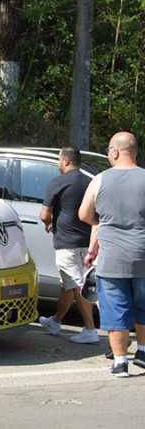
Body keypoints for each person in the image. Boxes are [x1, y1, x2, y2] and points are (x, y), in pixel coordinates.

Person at [79, 132, 145, 378]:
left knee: (116, 309)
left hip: (112, 258)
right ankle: (143, 351)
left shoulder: (100, 180)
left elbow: (84, 214)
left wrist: (104, 222)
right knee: (143, 305)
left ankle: (120, 363)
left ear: (115, 152)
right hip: (143, 255)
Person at [37, 146, 97, 343]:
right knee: (68, 284)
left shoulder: (58, 182)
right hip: (88, 242)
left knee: (77, 285)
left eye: (59, 160)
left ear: (65, 161)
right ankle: (56, 321)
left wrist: (48, 223)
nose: (58, 164)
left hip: (67, 242)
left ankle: (90, 330)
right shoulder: (90, 182)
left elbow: (44, 214)